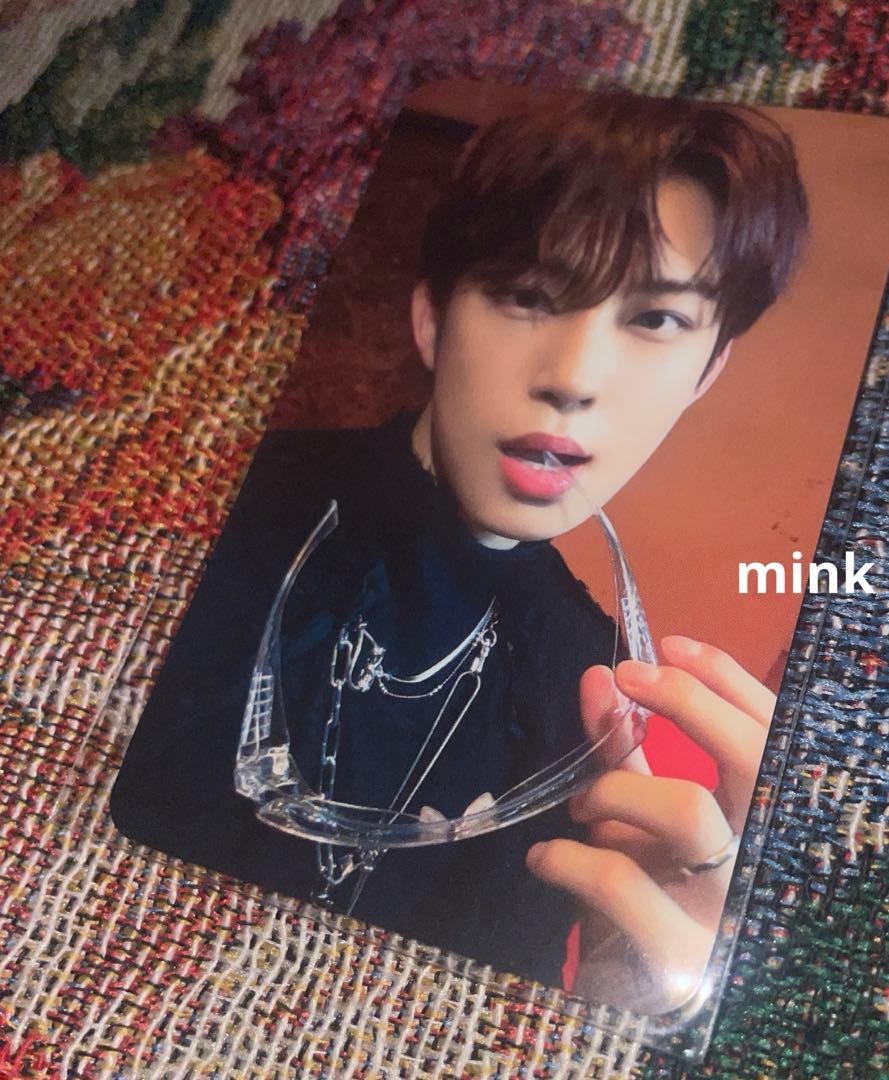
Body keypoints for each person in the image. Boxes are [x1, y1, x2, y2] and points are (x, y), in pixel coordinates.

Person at [110, 90, 807, 1010]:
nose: (574, 377)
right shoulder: (192, 497)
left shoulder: (591, 685)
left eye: (656, 320)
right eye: (528, 295)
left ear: (706, 372)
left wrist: (615, 1004)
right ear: (434, 316)